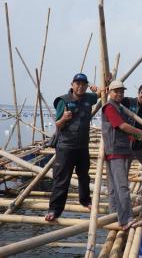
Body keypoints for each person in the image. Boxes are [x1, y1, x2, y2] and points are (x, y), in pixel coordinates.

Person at [46, 73, 99, 221]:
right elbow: (57, 124)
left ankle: (85, 200)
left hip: (82, 145)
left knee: (84, 176)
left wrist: (96, 89)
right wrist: (64, 118)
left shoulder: (89, 98)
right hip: (66, 146)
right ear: (72, 84)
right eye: (78, 83)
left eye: (83, 84)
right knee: (62, 178)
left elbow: (102, 94)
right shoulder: (64, 101)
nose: (80, 86)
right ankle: (54, 209)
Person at [102, 80, 142, 230]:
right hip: (116, 151)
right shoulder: (109, 107)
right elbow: (121, 126)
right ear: (109, 92)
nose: (119, 94)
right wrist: (138, 131)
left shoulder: (119, 107)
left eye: (121, 92)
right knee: (122, 187)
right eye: (116, 91)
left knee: (114, 187)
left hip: (118, 150)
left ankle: (115, 215)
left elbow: (121, 130)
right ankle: (126, 219)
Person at [122, 84, 142, 171]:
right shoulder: (127, 101)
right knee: (124, 171)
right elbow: (113, 101)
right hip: (126, 144)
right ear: (138, 93)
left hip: (140, 145)